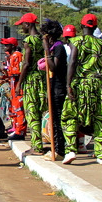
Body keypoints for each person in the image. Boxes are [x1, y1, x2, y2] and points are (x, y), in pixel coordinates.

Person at [62, 14, 102, 165]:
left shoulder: (76, 41)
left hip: (80, 84)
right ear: (95, 27)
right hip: (98, 84)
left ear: (82, 26)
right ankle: (101, 154)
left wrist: (68, 85)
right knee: (101, 118)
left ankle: (71, 150)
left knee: (69, 116)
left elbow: (73, 62)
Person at [16, 12, 47, 154]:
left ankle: (36, 145)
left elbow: (27, 63)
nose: (22, 27)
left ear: (28, 24)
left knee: (32, 112)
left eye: (23, 24)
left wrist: (19, 83)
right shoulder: (43, 39)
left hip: (31, 80)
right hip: (43, 78)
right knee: (43, 111)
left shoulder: (29, 40)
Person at [41, 20, 68, 159]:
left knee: (58, 119)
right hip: (53, 86)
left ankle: (59, 150)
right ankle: (57, 147)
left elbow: (54, 67)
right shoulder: (53, 48)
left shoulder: (58, 48)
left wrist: (46, 50)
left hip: (59, 87)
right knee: (54, 119)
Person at [1, 36, 26, 140]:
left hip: (17, 85)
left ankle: (20, 131)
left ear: (12, 46)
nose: (5, 47)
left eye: (7, 45)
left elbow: (17, 72)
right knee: (15, 108)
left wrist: (8, 71)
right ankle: (16, 128)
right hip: (13, 85)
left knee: (19, 108)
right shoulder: (12, 56)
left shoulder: (17, 55)